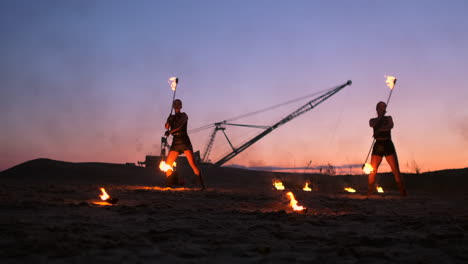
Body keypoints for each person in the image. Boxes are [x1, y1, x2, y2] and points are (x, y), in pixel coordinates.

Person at [164, 99, 206, 190]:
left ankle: (202, 186)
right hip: (175, 142)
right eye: (175, 104)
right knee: (168, 164)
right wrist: (169, 120)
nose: (176, 105)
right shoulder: (172, 117)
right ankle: (169, 185)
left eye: (178, 104)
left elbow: (179, 126)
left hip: (184, 141)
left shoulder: (184, 115)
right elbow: (166, 127)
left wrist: (170, 131)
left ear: (181, 106)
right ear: (173, 106)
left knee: (193, 164)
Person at [368, 101, 407, 196]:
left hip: (388, 144)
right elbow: (372, 124)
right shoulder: (372, 120)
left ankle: (403, 192)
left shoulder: (389, 118)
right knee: (373, 170)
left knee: (395, 169)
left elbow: (390, 126)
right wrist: (380, 121)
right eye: (381, 107)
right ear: (377, 109)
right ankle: (369, 192)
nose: (383, 109)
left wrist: (379, 129)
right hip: (378, 145)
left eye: (384, 107)